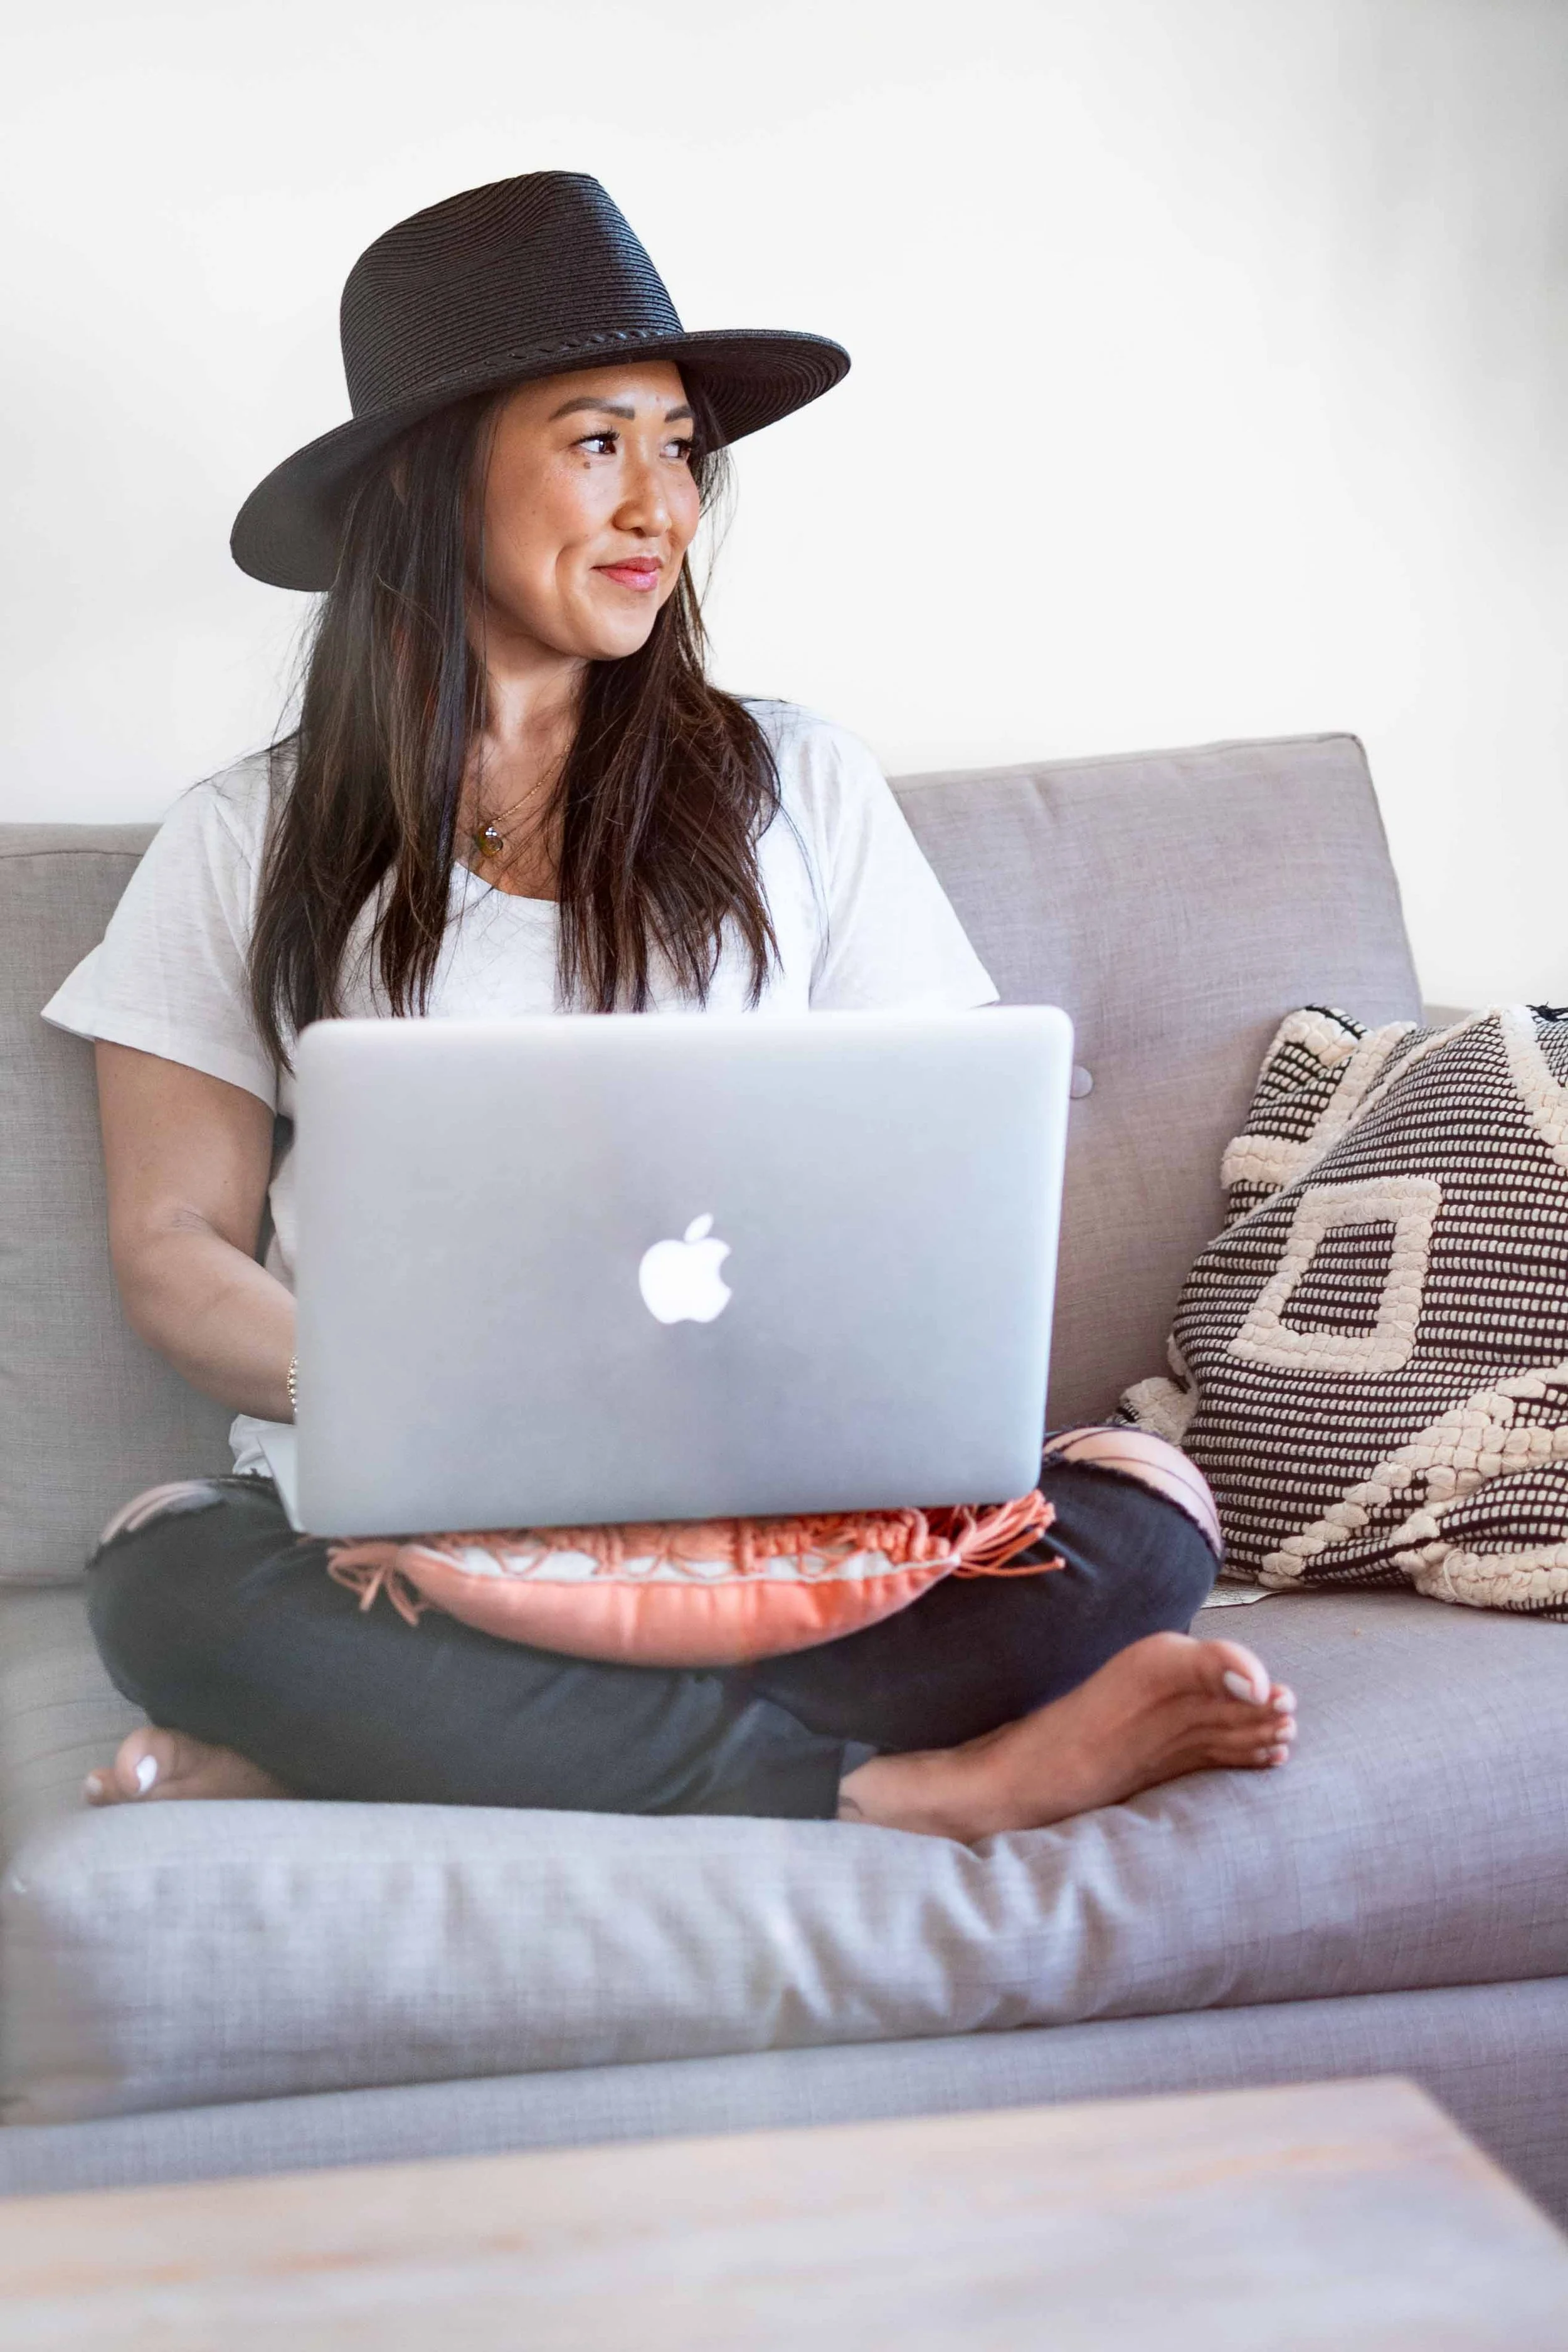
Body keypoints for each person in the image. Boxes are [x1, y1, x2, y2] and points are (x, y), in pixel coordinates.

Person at [45, 172, 1296, 1841]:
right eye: (596, 442)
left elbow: (938, 1188)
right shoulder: (244, 837)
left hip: (780, 1515)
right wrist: (439, 1403)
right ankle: (891, 1783)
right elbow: (172, 1242)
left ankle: (406, 1748)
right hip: (418, 1542)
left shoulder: (801, 783)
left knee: (1141, 1521)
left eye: (682, 446)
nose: (665, 506)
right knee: (171, 1582)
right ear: (430, 478)